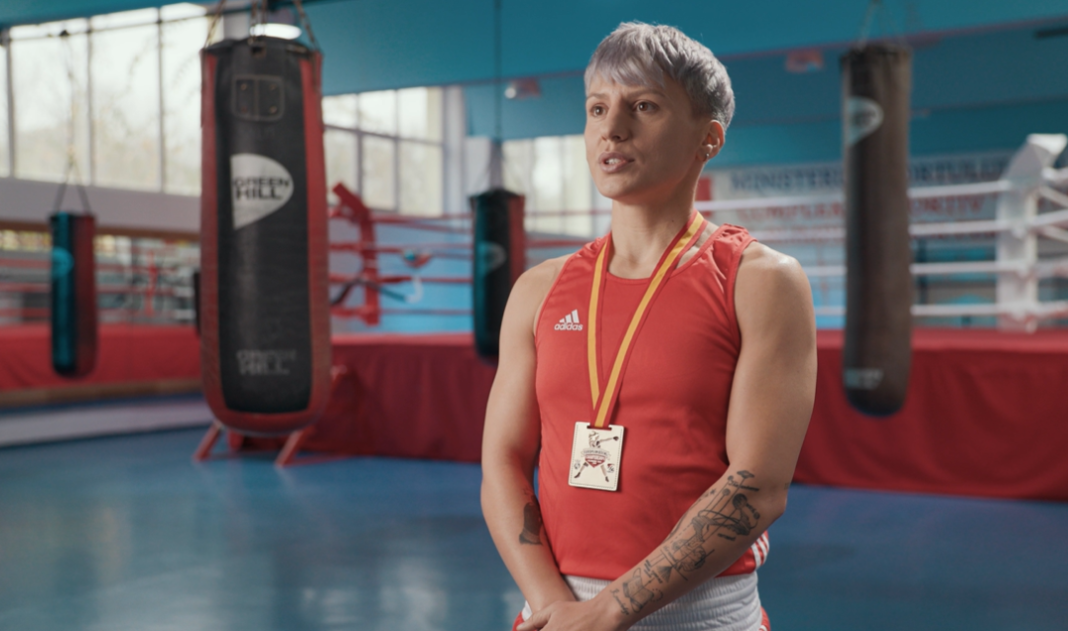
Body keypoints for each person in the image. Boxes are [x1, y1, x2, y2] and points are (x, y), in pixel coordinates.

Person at [480, 22, 816, 631]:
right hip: (555, 610)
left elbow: (757, 485)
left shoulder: (761, 281)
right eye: (597, 108)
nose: (612, 128)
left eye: (643, 106)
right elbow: (502, 459)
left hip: (698, 614)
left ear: (708, 138)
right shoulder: (539, 289)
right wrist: (555, 606)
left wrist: (610, 610)